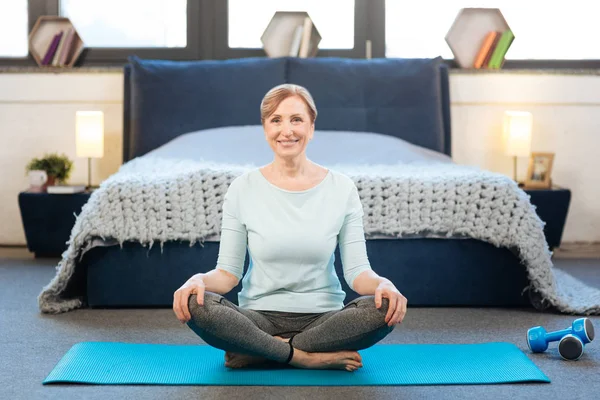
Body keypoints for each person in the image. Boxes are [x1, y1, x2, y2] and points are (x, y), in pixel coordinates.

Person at [172, 84, 408, 372]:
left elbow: (358, 273)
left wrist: (384, 284)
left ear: (311, 126)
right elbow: (227, 275)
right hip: (258, 317)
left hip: (324, 319)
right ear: (265, 128)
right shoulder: (242, 189)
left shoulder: (342, 188)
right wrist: (197, 280)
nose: (287, 130)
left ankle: (259, 350)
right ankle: (304, 357)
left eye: (296, 119)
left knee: (384, 307)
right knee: (198, 304)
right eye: (276, 120)